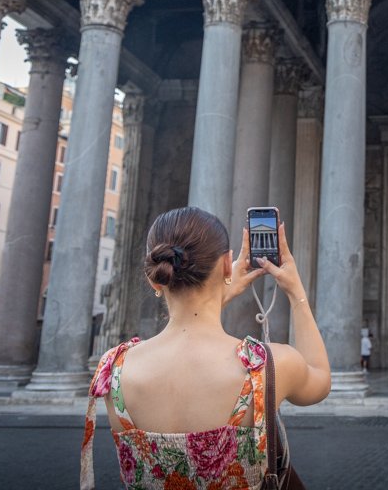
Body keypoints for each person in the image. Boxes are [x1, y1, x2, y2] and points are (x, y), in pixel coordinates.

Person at [81, 206, 331, 490]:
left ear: (155, 277)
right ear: (227, 264)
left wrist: (217, 292)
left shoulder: (114, 368)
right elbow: (320, 378)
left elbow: (188, 329)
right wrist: (295, 291)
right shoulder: (266, 364)